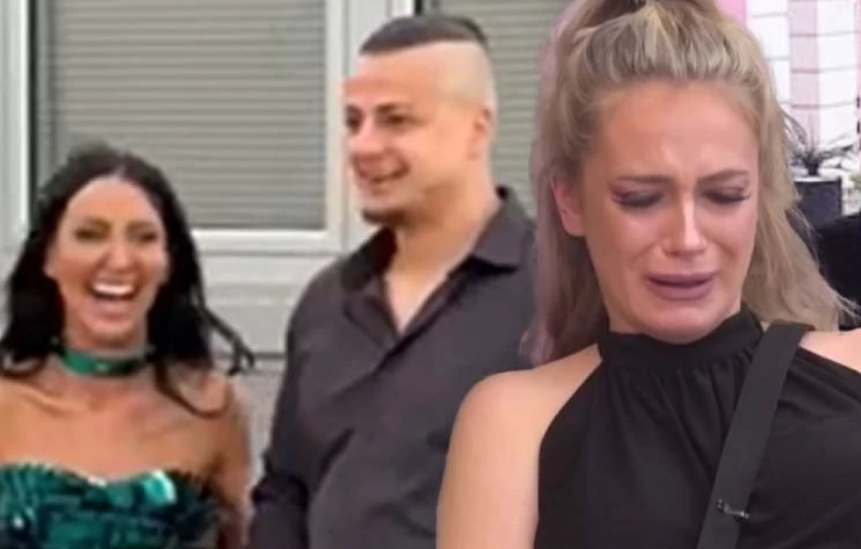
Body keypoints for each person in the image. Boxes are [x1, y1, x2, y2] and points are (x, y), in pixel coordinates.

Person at [437, 1, 861, 548]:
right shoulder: (513, 424)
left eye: (724, 195)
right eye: (641, 199)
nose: (687, 239)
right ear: (570, 201)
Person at [248, 13, 535, 549]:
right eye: (353, 122)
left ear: (477, 128)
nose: (363, 146)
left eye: (395, 120)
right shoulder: (327, 305)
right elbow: (287, 489)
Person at [0, 144, 254, 549]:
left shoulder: (213, 409)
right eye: (90, 235)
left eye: (143, 238)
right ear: (48, 257)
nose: (120, 260)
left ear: (168, 262)